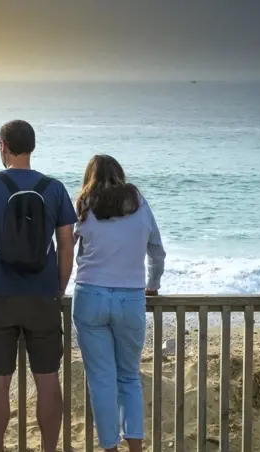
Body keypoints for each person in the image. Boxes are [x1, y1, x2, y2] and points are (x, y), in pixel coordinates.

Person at [0, 120, 76, 452]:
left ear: (3, 147)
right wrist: (59, 286)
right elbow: (67, 245)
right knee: (48, 382)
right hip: (42, 298)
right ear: (32, 148)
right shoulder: (54, 189)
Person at [72, 154, 166, 452]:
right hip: (130, 298)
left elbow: (67, 246)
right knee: (128, 376)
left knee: (101, 379)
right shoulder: (138, 201)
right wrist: (153, 284)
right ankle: (135, 448)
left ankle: (110, 448)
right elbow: (157, 250)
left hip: (89, 295)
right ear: (120, 174)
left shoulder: (84, 203)